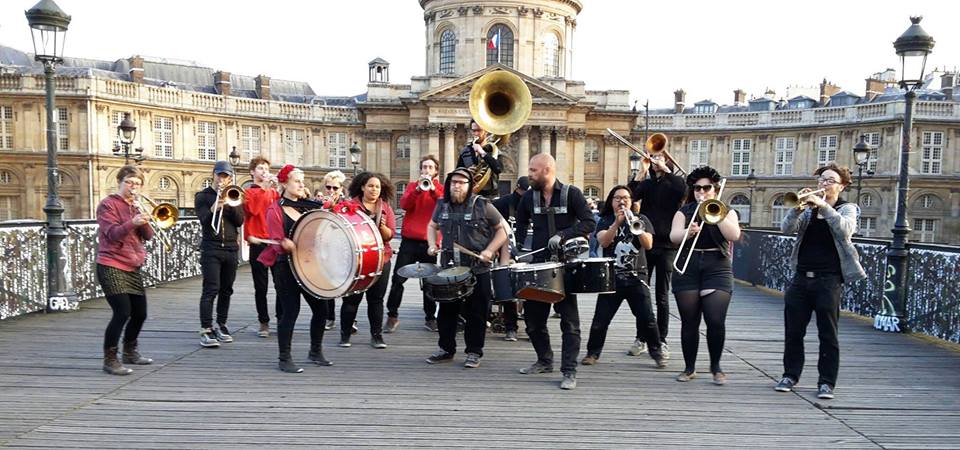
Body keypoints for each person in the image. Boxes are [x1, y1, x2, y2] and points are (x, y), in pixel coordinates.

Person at [774, 163, 866, 400]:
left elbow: (845, 230)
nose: (823, 184)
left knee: (828, 333)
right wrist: (796, 209)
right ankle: (790, 375)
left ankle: (826, 382)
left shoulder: (848, 209)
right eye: (821, 180)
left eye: (829, 180)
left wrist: (824, 205)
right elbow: (786, 229)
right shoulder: (808, 211)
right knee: (793, 331)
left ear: (842, 185)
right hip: (801, 278)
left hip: (829, 280)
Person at [514, 153, 596, 390]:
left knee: (570, 323)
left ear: (547, 170)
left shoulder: (572, 194)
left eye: (533, 170)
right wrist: (518, 251)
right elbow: (520, 225)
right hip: (539, 266)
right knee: (532, 321)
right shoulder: (529, 197)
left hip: (566, 267)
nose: (529, 174)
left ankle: (569, 370)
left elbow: (589, 222)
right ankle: (544, 360)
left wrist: (564, 235)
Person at [424, 167, 508, 368]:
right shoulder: (442, 205)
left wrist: (489, 250)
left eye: (461, 183)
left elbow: (502, 230)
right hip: (449, 268)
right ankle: (446, 349)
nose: (457, 186)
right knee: (446, 311)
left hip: (477, 268)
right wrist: (431, 244)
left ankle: (474, 352)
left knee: (477, 313)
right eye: (453, 182)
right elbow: (431, 226)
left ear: (470, 186)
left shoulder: (483, 205)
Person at [257, 165, 332, 373]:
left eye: (302, 181)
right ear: (284, 184)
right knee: (290, 311)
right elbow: (274, 241)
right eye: (297, 181)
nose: (302, 185)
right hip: (286, 267)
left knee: (321, 309)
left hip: (309, 265)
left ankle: (315, 352)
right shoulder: (276, 209)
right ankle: (284, 358)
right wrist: (284, 243)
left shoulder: (307, 207)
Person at [669, 166, 740, 385]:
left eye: (706, 188)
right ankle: (689, 367)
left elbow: (734, 235)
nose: (702, 191)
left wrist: (715, 215)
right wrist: (688, 232)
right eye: (697, 188)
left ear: (715, 189)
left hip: (716, 266)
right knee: (689, 321)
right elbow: (673, 236)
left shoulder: (726, 211)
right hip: (688, 266)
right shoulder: (684, 211)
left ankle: (716, 366)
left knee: (715, 319)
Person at [581, 186, 666, 368]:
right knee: (600, 320)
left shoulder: (641, 219)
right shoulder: (605, 220)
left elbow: (648, 244)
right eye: (618, 198)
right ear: (611, 201)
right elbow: (603, 241)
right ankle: (592, 353)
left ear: (631, 201)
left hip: (637, 277)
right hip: (611, 278)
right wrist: (616, 224)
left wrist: (635, 224)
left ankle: (656, 352)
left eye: (626, 198)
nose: (622, 201)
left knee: (647, 318)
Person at [96, 165, 155, 375]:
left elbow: (148, 236)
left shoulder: (135, 206)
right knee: (122, 312)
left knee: (140, 313)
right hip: (110, 263)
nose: (133, 187)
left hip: (132, 264)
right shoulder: (107, 205)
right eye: (129, 182)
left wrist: (143, 217)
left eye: (137, 184)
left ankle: (130, 351)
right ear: (120, 182)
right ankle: (110, 359)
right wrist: (132, 222)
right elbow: (112, 234)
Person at [628, 150, 686, 358]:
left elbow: (683, 190)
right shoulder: (648, 184)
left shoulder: (674, 182)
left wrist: (667, 170)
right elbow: (631, 195)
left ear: (667, 160)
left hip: (667, 245)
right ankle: (641, 337)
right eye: (652, 157)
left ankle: (661, 339)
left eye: (659, 157)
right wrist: (640, 173)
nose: (654, 160)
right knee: (642, 293)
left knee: (662, 295)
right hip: (647, 242)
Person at [385, 155, 444, 333]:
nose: (426, 170)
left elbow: (443, 205)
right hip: (409, 242)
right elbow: (404, 204)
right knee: (398, 279)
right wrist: (418, 189)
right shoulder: (412, 187)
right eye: (424, 167)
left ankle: (430, 317)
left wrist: (432, 190)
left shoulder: (440, 189)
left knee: (429, 282)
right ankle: (392, 315)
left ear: (435, 172)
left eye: (430, 168)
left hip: (429, 242)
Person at [339, 172, 395, 349]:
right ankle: (345, 335)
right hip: (355, 260)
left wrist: (382, 226)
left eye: (377, 187)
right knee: (351, 299)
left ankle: (376, 336)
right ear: (362, 187)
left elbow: (390, 236)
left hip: (381, 259)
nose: (374, 189)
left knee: (376, 299)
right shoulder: (349, 206)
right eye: (370, 186)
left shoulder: (385, 208)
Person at [195, 161, 244, 348]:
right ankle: (206, 328)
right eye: (220, 175)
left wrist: (229, 204)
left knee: (227, 289)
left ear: (230, 178)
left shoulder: (235, 196)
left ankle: (221, 324)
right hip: (211, 248)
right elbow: (204, 220)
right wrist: (215, 206)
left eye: (226, 176)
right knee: (211, 288)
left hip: (231, 248)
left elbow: (239, 221)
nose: (222, 179)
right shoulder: (202, 196)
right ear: (213, 175)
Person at [243, 156, 280, 338]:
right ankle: (263, 321)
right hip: (258, 242)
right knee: (261, 286)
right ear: (252, 172)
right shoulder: (248, 192)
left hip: (274, 241)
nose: (264, 171)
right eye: (259, 168)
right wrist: (265, 188)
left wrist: (277, 188)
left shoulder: (273, 192)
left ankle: (281, 318)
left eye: (266, 168)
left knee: (281, 283)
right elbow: (253, 210)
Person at [491, 176, 530, 341]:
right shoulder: (503, 203)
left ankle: (532, 327)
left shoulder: (538, 201)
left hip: (530, 251)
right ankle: (511, 327)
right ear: (517, 189)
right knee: (508, 287)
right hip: (507, 249)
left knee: (534, 291)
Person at [316, 170, 347, 331]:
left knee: (346, 284)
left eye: (335, 188)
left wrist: (334, 206)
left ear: (341, 189)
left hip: (341, 248)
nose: (331, 191)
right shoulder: (319, 203)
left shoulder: (346, 204)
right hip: (324, 247)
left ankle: (349, 319)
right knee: (327, 283)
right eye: (329, 187)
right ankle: (330, 317)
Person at [456, 119, 504, 199]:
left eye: (479, 130)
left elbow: (499, 169)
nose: (476, 134)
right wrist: (466, 171)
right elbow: (457, 173)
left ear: (486, 131)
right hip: (469, 195)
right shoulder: (465, 151)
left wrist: (482, 153)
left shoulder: (494, 150)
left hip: (490, 197)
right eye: (473, 131)